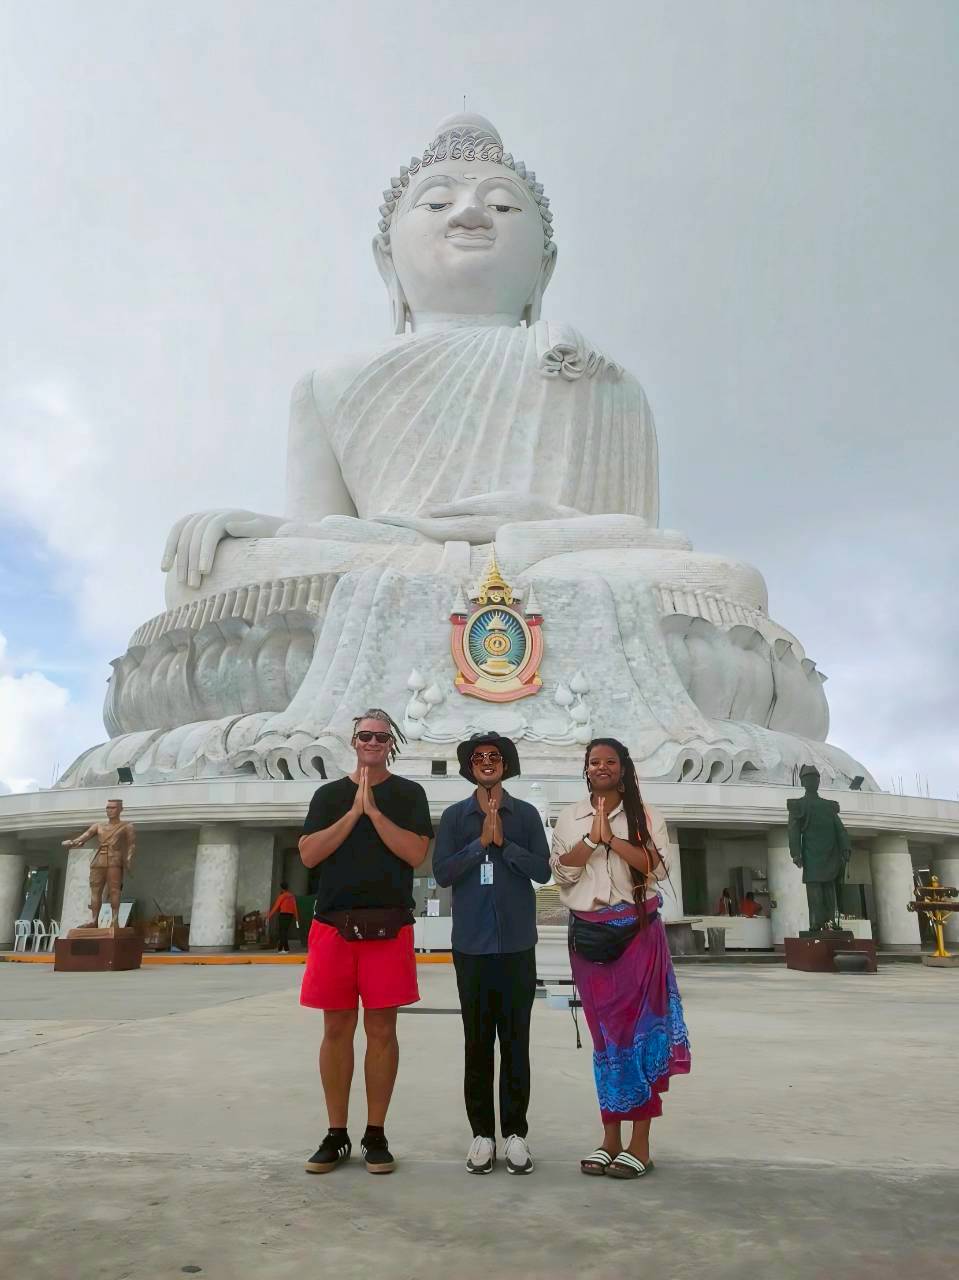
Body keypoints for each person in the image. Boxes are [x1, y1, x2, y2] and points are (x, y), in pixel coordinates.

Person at [298, 709, 433, 1176]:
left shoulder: (408, 794)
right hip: (334, 927)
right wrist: (352, 811)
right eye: (364, 736)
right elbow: (310, 853)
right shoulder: (329, 795)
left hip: (387, 928)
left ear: (389, 742)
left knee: (381, 1031)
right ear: (352, 741)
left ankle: (376, 1133)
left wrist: (374, 812)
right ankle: (336, 1133)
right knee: (335, 1030)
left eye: (380, 736)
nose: (372, 742)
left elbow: (416, 853)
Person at [551, 738, 691, 1180]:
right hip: (589, 939)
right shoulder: (570, 817)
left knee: (640, 1034)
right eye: (595, 762)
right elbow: (561, 871)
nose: (602, 767)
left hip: (637, 934)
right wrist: (591, 838)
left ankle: (641, 1142)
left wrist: (611, 837)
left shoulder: (647, 816)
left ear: (624, 768)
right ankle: (610, 1136)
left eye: (610, 761)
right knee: (605, 1038)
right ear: (586, 769)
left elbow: (657, 867)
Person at [433, 732, 551, 1176]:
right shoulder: (454, 817)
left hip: (518, 945)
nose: (486, 762)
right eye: (479, 758)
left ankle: (516, 1133)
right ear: (469, 767)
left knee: (516, 1041)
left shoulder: (525, 815)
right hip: (472, 947)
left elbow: (542, 871)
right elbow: (442, 873)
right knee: (478, 1042)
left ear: (506, 764)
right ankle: (482, 1133)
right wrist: (479, 843)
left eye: (494, 757)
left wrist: (505, 844)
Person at [61, 799, 136, 928]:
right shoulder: (98, 826)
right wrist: (73, 842)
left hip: (114, 859)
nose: (109, 810)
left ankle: (114, 920)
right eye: (108, 808)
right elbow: (85, 836)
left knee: (114, 890)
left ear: (120, 810)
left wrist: (129, 858)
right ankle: (94, 920)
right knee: (95, 891)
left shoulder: (127, 826)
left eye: (113, 808)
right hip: (99, 860)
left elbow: (132, 844)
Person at [265, 881, 299, 952]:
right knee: (284, 931)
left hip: (283, 915)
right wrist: (297, 919)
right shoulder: (292, 896)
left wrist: (268, 916)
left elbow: (276, 907)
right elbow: (295, 907)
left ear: (281, 888)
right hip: (290, 915)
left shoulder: (282, 896)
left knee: (282, 932)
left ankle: (286, 949)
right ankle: (280, 949)